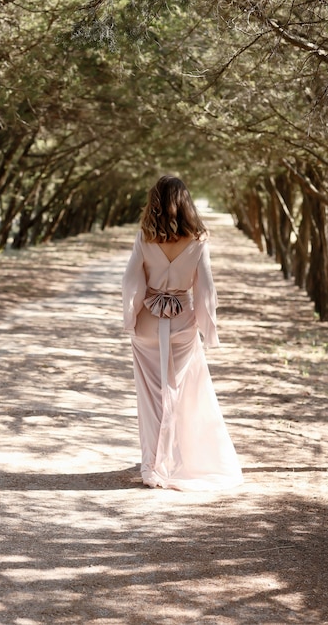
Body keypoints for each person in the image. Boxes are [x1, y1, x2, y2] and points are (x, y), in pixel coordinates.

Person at [122, 175, 243, 491]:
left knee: (151, 400)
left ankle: (153, 465)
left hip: (148, 328)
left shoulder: (145, 238)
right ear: (186, 204)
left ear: (154, 203)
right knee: (183, 394)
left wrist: (130, 319)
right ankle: (174, 461)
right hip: (184, 327)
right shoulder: (199, 240)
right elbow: (205, 290)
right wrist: (208, 328)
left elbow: (131, 283)